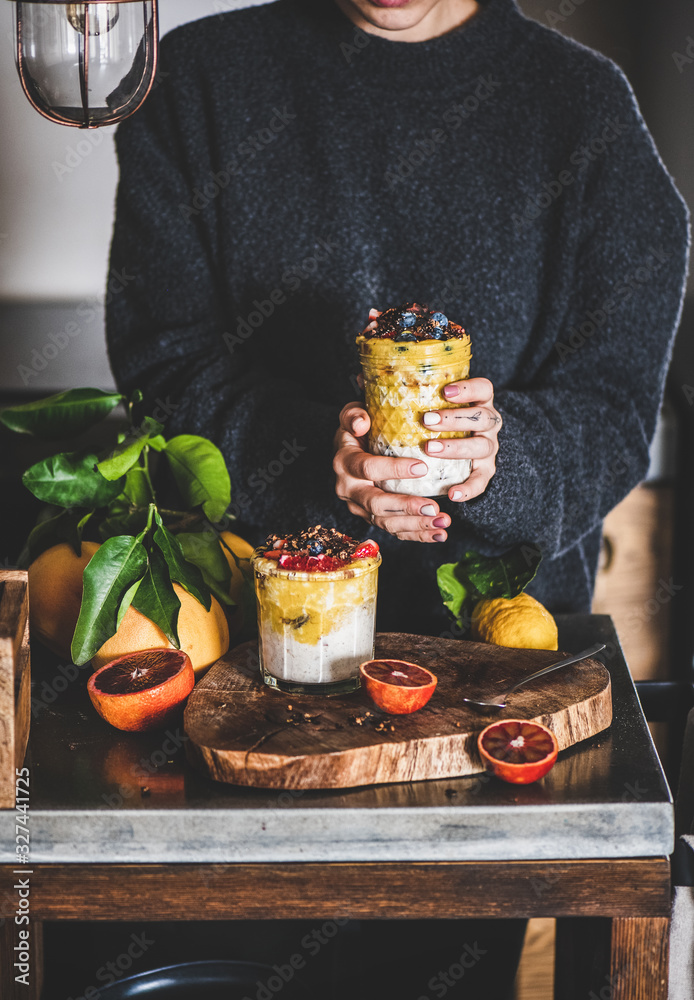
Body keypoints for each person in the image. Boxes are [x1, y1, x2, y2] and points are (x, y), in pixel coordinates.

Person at [106, 0, 689, 995]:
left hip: (489, 677)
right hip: (238, 672)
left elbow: (612, 411)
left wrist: (504, 460)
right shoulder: (195, 83)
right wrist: (310, 467)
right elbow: (163, 374)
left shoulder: (582, 110)